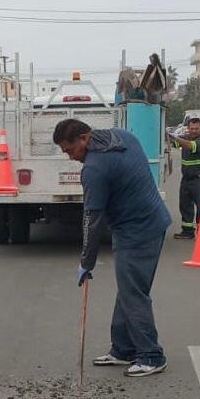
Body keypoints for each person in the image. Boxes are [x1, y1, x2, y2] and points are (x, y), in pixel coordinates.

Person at [53, 119, 171, 378]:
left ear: (84, 138)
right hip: (147, 221)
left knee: (133, 293)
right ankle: (123, 349)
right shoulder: (121, 136)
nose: (71, 157)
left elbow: (92, 221)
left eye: (70, 150)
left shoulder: (95, 168)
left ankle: (151, 355)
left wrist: (86, 262)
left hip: (139, 231)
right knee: (128, 289)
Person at [170, 118, 200, 239]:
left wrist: (176, 137)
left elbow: (189, 146)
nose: (193, 131)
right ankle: (187, 231)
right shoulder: (186, 137)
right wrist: (168, 136)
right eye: (191, 128)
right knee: (185, 205)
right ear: (188, 128)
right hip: (186, 179)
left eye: (196, 128)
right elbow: (174, 143)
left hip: (199, 180)